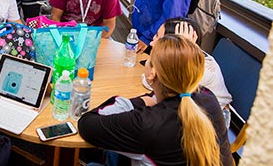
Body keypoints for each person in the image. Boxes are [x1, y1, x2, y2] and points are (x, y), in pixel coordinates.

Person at [78, 35, 233, 166]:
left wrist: (142, 101)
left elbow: (86, 124)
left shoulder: (146, 123)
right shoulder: (208, 98)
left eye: (149, 60)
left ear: (152, 74)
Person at [143, 17, 232, 126]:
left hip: (212, 120)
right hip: (189, 108)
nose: (152, 42)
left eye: (159, 38)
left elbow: (150, 82)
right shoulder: (182, 59)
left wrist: (180, 53)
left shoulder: (201, 69)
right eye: (156, 35)